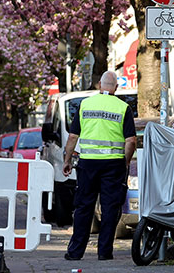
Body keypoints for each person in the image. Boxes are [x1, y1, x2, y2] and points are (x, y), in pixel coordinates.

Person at [62, 71, 136, 261]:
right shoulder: (123, 108)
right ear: (116, 88)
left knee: (83, 206)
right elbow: (131, 141)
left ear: (100, 85)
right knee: (110, 208)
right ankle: (104, 252)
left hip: (88, 164)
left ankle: (75, 252)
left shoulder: (85, 104)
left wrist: (67, 160)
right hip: (113, 165)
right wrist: (126, 162)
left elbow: (73, 136)